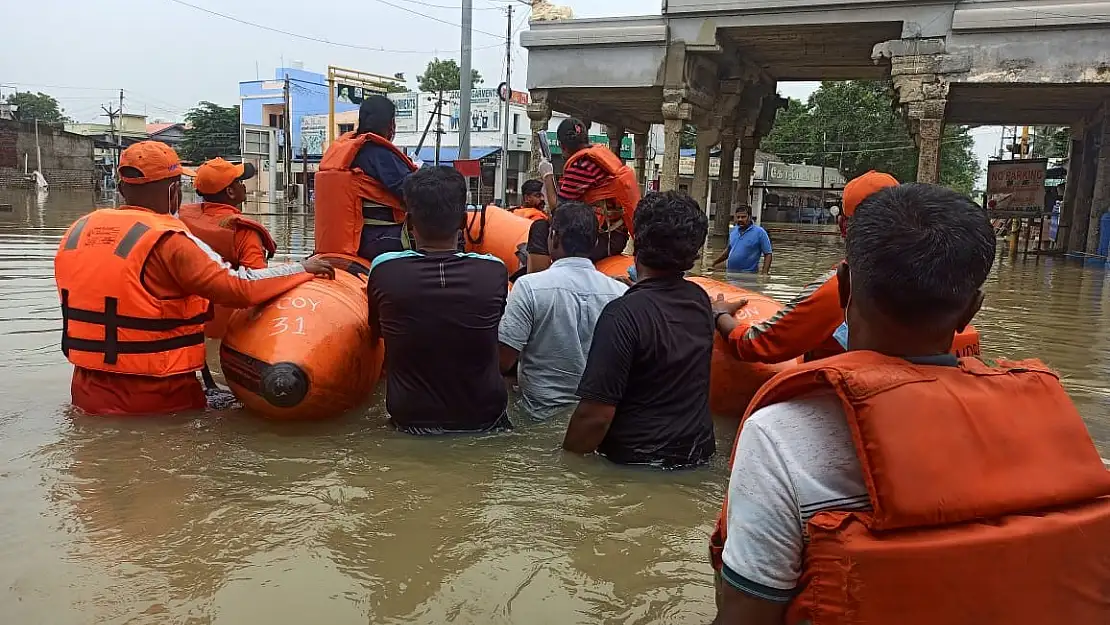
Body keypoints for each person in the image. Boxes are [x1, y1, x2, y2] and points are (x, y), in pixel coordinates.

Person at [710, 183, 1110, 625]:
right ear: (971, 310)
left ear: (843, 287)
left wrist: (719, 317)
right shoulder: (1054, 427)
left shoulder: (778, 435)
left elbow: (744, 616)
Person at [54, 141, 335, 416]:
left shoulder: (77, 232)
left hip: (85, 391)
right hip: (160, 396)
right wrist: (302, 268)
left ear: (120, 188)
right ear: (175, 190)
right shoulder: (169, 241)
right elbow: (240, 287)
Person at [563, 191, 715, 468]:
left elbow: (594, 417)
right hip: (697, 455)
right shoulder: (700, 301)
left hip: (635, 463)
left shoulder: (621, 315)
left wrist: (564, 465)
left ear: (638, 240)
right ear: (695, 251)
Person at [368, 166, 509, 435]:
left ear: (409, 223)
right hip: (485, 421)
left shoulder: (384, 270)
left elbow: (376, 333)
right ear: (462, 222)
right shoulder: (494, 271)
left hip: (410, 421)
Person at [713, 171, 898, 363]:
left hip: (842, 383)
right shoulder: (926, 278)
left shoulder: (841, 286)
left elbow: (759, 344)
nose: (739, 219)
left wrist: (720, 314)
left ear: (842, 225)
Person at [498, 202, 627, 420]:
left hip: (536, 416)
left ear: (554, 237)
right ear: (595, 242)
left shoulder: (529, 287)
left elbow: (503, 361)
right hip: (593, 421)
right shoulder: (620, 292)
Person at [178, 157, 277, 337]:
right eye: (239, 182)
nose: (244, 186)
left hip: (187, 326)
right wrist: (301, 271)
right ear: (231, 192)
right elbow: (258, 285)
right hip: (226, 332)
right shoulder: (243, 232)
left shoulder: (181, 219)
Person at [527, 117, 641, 272]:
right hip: (615, 236)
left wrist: (547, 176)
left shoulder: (580, 165)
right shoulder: (600, 156)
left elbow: (558, 211)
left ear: (562, 146)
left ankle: (537, 282)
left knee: (540, 228)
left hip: (602, 239)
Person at [314, 95, 420, 262]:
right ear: (391, 124)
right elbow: (418, 193)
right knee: (443, 238)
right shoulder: (379, 154)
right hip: (379, 240)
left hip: (352, 240)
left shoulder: (347, 149)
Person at [711, 205, 772, 274]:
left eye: (743, 217)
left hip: (748, 275)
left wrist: (764, 273)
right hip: (730, 273)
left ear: (750, 217)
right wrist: (714, 263)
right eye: (738, 217)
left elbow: (768, 254)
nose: (740, 219)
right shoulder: (734, 230)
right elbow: (729, 250)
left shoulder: (760, 232)